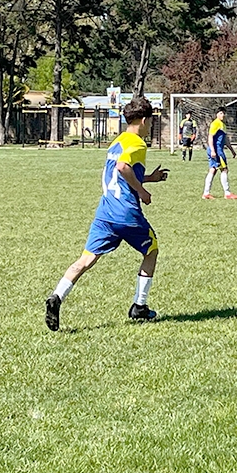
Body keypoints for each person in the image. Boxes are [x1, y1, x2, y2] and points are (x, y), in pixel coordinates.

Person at [45, 97, 169, 331]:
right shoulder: (138, 143)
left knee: (86, 260)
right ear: (143, 121)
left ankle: (57, 297)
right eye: (151, 121)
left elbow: (119, 171)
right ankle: (139, 306)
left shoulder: (117, 142)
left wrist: (149, 177)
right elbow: (123, 168)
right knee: (151, 250)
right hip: (126, 213)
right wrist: (142, 190)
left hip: (105, 212)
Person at [203, 107, 237, 200]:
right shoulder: (215, 123)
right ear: (217, 114)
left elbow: (225, 140)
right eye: (220, 113)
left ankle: (206, 193)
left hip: (217, 149)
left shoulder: (223, 125)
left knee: (213, 170)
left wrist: (232, 150)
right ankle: (227, 193)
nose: (222, 115)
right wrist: (213, 150)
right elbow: (210, 137)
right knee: (224, 169)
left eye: (223, 113)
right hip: (216, 150)